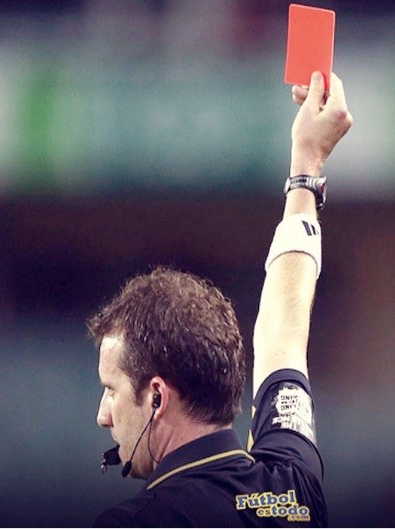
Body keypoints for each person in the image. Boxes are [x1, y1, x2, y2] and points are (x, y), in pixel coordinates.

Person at [87, 71, 353, 527]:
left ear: (157, 397)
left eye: (111, 390)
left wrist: (306, 166)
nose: (103, 415)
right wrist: (307, 164)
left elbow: (283, 333)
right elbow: (283, 334)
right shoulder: (294, 491)